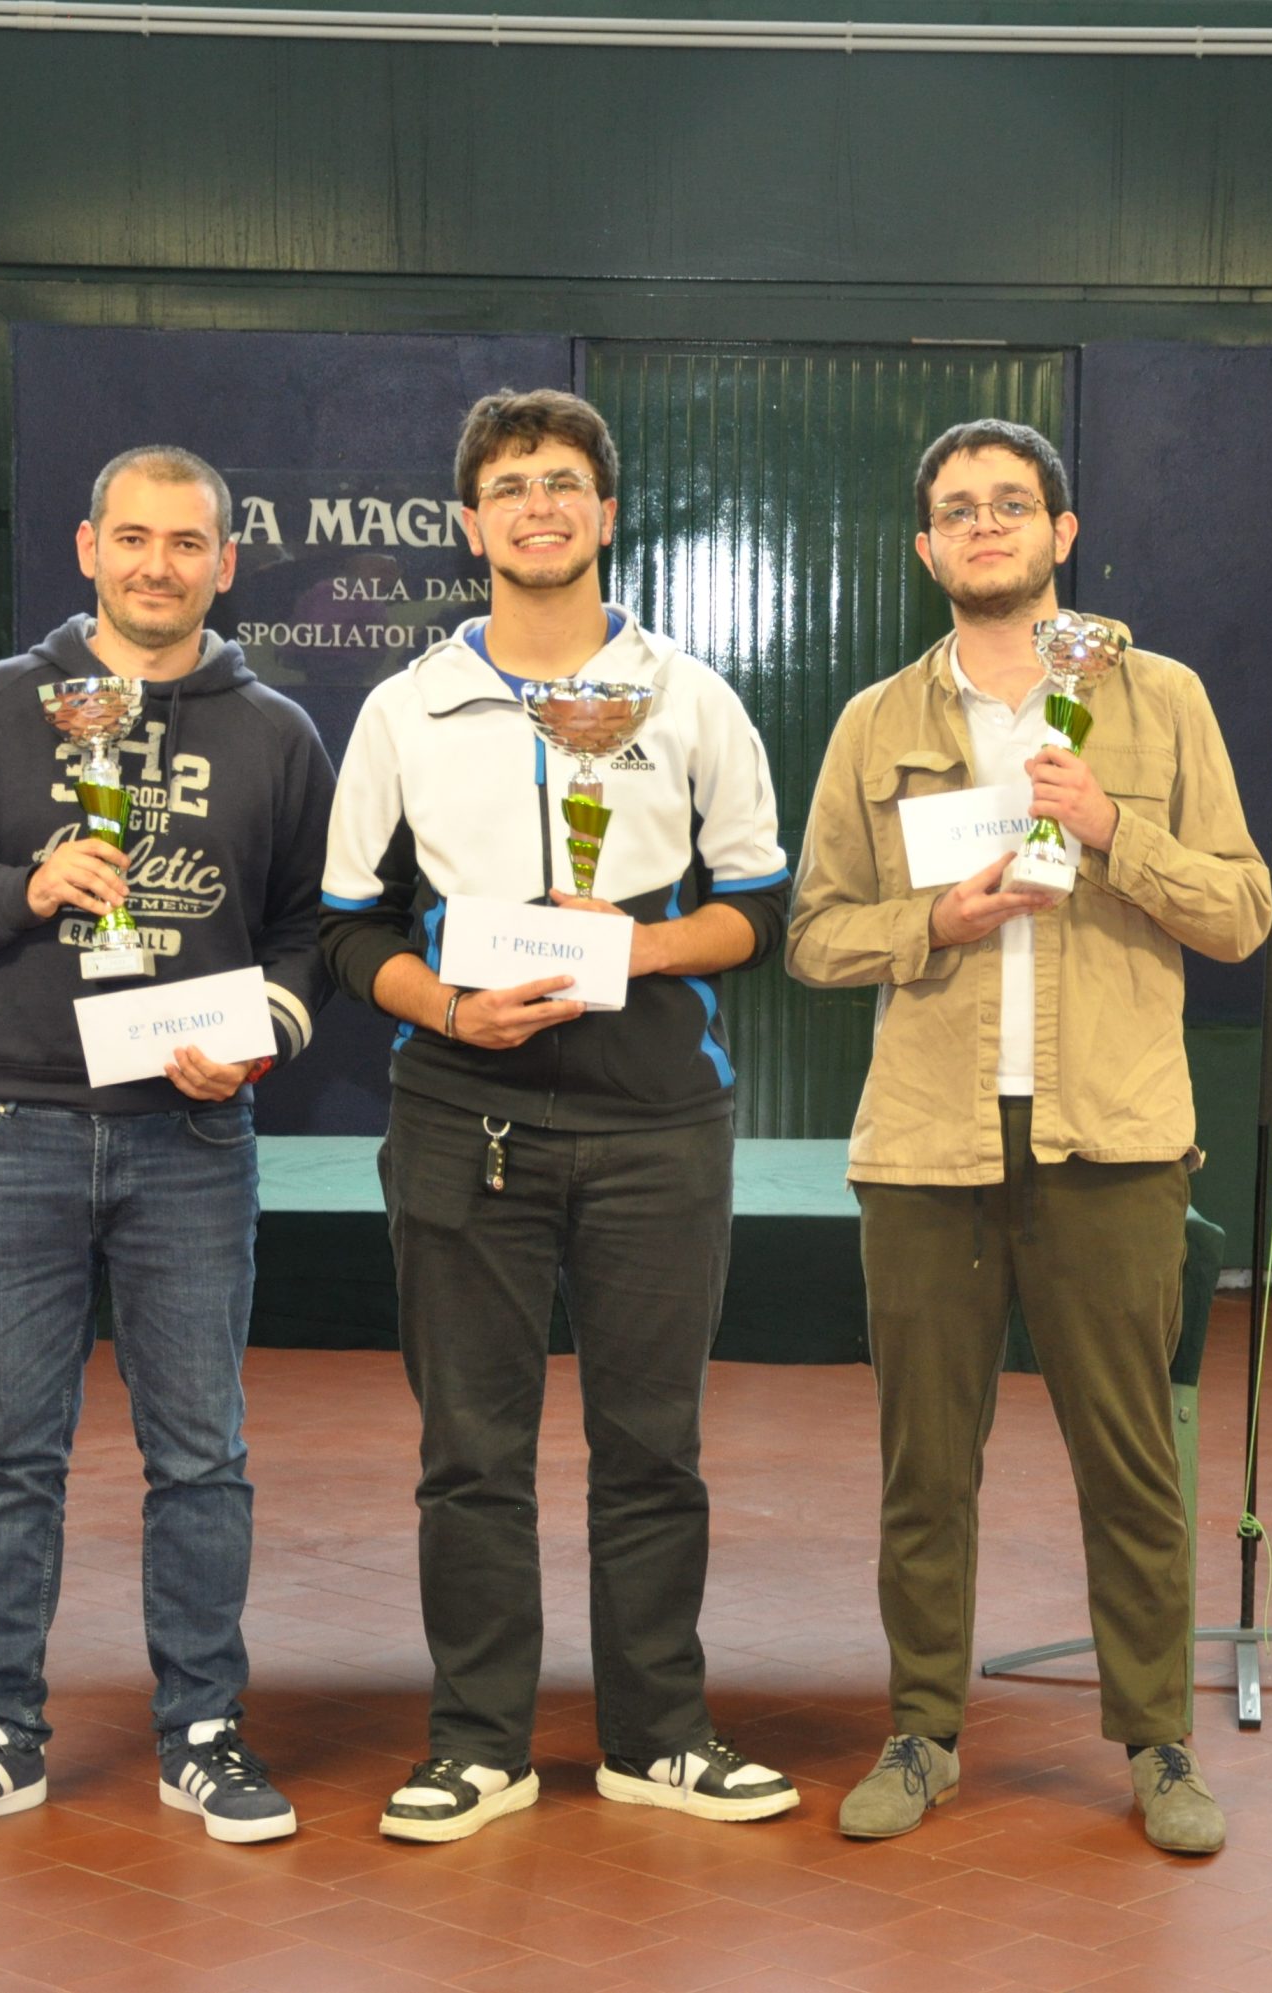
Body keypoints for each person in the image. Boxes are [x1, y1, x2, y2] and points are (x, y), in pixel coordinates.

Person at [318, 389, 800, 1843]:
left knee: (652, 1444)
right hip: (465, 1114)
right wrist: (450, 1006)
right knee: (470, 1449)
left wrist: (637, 946)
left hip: (660, 1122)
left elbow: (757, 908)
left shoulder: (692, 696)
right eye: (512, 484)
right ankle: (479, 1743)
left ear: (605, 512)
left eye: (567, 483)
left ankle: (660, 1732)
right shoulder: (405, 708)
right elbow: (351, 929)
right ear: (472, 524)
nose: (540, 505)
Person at [786, 419, 1271, 1855]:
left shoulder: (1160, 700)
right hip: (928, 1142)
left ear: (1063, 533)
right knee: (923, 1463)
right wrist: (937, 918)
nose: (985, 525)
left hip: (1113, 1137)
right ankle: (923, 1728)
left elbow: (1241, 913)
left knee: (1132, 1460)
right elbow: (813, 933)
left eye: (1013, 504)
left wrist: (1113, 823)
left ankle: (1160, 1741)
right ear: (926, 549)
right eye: (957, 509)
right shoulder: (877, 723)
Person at [0, 445, 334, 1848]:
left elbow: (312, 931)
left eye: (185, 544)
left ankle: (202, 1726)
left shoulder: (276, 734)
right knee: (11, 1446)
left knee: (203, 1452)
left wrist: (269, 1033)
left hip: (195, 1135)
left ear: (225, 563)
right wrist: (27, 885)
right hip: (14, 1123)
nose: (156, 565)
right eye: (132, 538)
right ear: (85, 547)